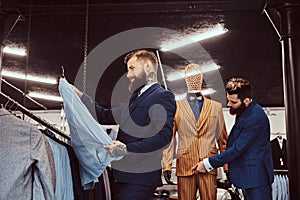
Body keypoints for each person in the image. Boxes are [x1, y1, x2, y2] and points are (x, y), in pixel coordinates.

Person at [71, 49, 176, 200]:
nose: (128, 75)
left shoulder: (162, 96)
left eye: (132, 68)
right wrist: (78, 95)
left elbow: (163, 138)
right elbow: (104, 115)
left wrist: (126, 149)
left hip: (140, 178)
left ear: (148, 66)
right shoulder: (133, 99)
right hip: (122, 177)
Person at [193, 77, 274, 200]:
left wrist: (208, 163)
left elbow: (237, 149)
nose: (229, 104)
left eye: (233, 102)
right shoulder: (245, 111)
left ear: (246, 100)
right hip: (250, 177)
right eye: (228, 100)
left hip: (256, 179)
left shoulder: (254, 117)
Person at [162, 63, 228, 200]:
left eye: (197, 76)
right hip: (185, 164)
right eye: (191, 77)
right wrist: (167, 165)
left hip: (209, 164)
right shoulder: (176, 107)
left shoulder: (216, 107)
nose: (194, 80)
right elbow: (170, 139)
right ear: (185, 79)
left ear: (202, 78)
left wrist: (227, 167)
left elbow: (223, 140)